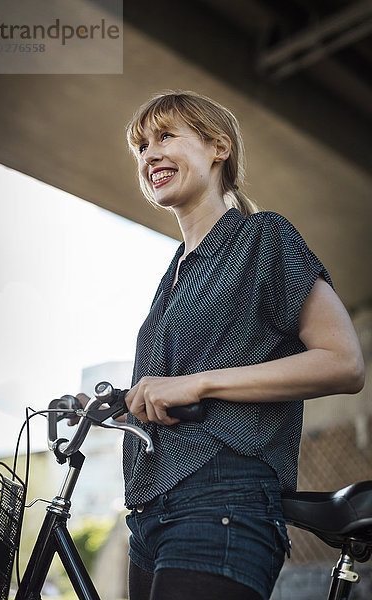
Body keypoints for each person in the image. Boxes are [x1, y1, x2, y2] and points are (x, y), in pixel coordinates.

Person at [98, 91, 365, 600]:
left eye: (165, 136)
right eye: (141, 146)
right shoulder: (172, 276)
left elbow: (344, 362)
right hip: (149, 516)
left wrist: (196, 383)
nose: (149, 153)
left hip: (224, 498)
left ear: (217, 146)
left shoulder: (262, 238)